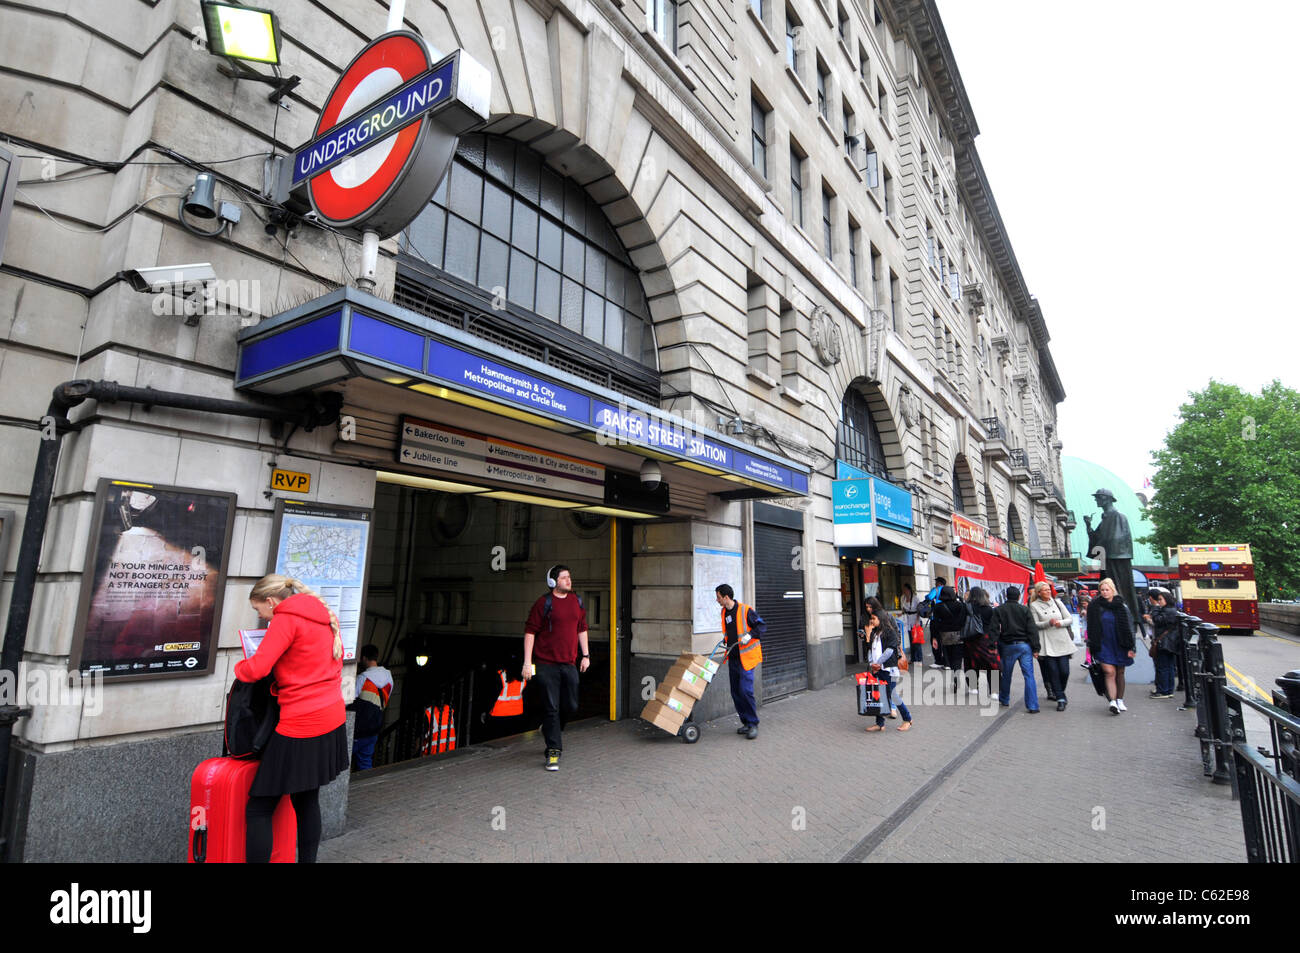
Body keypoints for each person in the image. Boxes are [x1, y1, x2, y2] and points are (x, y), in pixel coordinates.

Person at [235, 574, 348, 863]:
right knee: (306, 798)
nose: (260, 616)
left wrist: (239, 666)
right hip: (332, 718)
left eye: (258, 610)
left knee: (259, 807)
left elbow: (257, 669)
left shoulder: (285, 620)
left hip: (301, 723)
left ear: (271, 601)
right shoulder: (324, 613)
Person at [523, 565, 590, 770]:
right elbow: (530, 633)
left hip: (569, 663)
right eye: (564, 578)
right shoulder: (544, 603)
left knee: (571, 706)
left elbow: (582, 629)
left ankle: (551, 729)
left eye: (569, 577)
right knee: (551, 707)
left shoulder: (576, 602)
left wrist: (585, 655)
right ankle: (553, 751)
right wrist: (527, 662)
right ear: (553, 582)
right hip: (546, 665)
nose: (569, 581)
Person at [1084, 489, 1142, 631]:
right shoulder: (1105, 518)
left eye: (1098, 497)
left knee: (1119, 586)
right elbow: (1097, 537)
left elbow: (1118, 539)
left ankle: (1127, 618)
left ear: (1107, 499)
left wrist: (1105, 546)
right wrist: (1088, 526)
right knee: (1106, 585)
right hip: (1108, 558)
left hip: (1116, 558)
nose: (1096, 500)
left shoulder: (1117, 516)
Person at [716, 584, 766, 739]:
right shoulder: (724, 612)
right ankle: (745, 722)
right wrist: (726, 639)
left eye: (718, 597)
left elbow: (762, 626)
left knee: (745, 690)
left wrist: (750, 635)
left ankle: (753, 724)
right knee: (736, 692)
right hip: (734, 658)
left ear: (726, 597)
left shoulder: (745, 610)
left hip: (747, 658)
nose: (717, 600)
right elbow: (729, 631)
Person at [1086, 577, 1137, 715]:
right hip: (1103, 644)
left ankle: (1120, 699)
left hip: (1120, 643)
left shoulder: (1122, 606)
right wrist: (1090, 644)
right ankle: (1112, 702)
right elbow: (1090, 626)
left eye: (1107, 590)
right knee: (1109, 672)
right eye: (1102, 590)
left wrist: (1132, 647)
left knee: (1120, 672)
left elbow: (1130, 628)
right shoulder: (1095, 606)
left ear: (1112, 590)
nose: (1104, 592)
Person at [862, 598, 912, 732]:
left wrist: (878, 663)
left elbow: (890, 650)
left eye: (873, 618)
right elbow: (870, 650)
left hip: (889, 670)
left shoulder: (890, 632)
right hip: (878, 669)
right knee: (879, 695)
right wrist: (873, 663)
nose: (871, 621)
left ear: (880, 618)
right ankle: (880, 723)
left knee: (892, 695)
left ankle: (907, 719)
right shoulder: (874, 633)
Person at [991, 585, 1040, 713]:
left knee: (1006, 674)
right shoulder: (1024, 610)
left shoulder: (999, 610)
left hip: (1008, 645)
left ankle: (1005, 698)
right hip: (1025, 645)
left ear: (1006, 596)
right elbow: (1032, 630)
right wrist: (1036, 648)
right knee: (1029, 675)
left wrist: (992, 645)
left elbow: (994, 630)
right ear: (1019, 596)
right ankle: (1033, 705)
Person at [1030, 581, 1076, 712]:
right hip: (1047, 643)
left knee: (1064, 671)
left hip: (1062, 640)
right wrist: (1048, 623)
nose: (1048, 592)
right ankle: (1060, 698)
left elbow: (1069, 618)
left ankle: (1059, 691)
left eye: (1049, 589)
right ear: (1039, 593)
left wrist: (1060, 623)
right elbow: (1035, 624)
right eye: (1045, 590)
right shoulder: (1034, 606)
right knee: (1053, 672)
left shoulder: (1058, 602)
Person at [349, 643, 392, 770]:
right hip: (375, 724)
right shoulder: (389, 677)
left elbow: (350, 698)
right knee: (365, 761)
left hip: (360, 726)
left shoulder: (362, 678)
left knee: (343, 759)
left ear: (363, 658)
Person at [930, 585, 968, 691]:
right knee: (957, 657)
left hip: (945, 636)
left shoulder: (938, 607)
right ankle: (956, 674)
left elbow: (935, 623)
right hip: (958, 635)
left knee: (949, 657)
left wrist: (934, 637)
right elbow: (964, 620)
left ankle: (953, 674)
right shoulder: (961, 606)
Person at [1144, 587, 1180, 699]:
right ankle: (1168, 690)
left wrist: (1155, 607)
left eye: (1160, 599)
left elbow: (1157, 620)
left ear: (1167, 600)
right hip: (1169, 642)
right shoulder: (1171, 610)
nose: (1158, 601)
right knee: (1168, 667)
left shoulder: (1168, 611)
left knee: (1163, 667)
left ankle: (1164, 690)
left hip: (1165, 643)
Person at [963, 587, 999, 698]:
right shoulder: (988, 609)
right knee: (991, 665)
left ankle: (973, 687)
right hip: (986, 639)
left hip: (970, 639)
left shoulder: (966, 608)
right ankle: (994, 691)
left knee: (971, 663)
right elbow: (994, 626)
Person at [924, 576, 947, 666]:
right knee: (944, 640)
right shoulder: (948, 590)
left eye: (936, 582)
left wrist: (928, 595)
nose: (935, 583)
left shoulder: (936, 590)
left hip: (935, 619)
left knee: (934, 639)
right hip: (945, 619)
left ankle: (938, 661)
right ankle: (946, 660)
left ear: (940, 583)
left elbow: (929, 597)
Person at [899, 583, 923, 665]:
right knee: (911, 640)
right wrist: (901, 613)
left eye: (905, 590)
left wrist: (917, 620)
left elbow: (919, 609)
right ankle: (913, 658)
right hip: (908, 619)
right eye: (903, 590)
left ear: (909, 590)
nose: (904, 591)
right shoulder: (903, 598)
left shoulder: (915, 598)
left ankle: (919, 659)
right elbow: (904, 609)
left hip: (915, 618)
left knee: (917, 641)